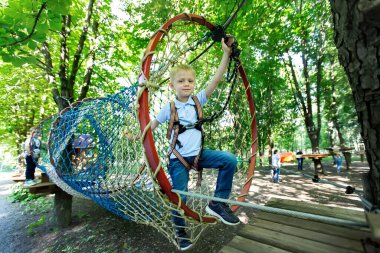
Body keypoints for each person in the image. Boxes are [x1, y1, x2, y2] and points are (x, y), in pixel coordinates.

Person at [151, 37, 239, 251]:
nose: (187, 84)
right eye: (181, 81)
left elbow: (216, 81)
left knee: (229, 160)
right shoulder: (168, 108)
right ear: (172, 85)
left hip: (199, 155)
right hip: (178, 160)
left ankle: (218, 202)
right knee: (179, 195)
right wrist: (135, 136)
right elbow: (150, 126)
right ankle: (181, 232)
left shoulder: (198, 100)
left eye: (190, 80)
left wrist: (226, 54)